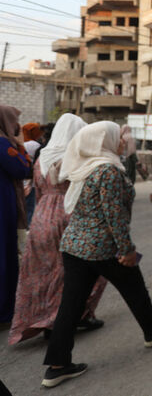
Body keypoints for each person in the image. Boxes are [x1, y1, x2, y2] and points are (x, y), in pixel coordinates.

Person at [41, 121, 152, 388]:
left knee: (71, 306)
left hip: (75, 246)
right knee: (135, 288)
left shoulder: (82, 166)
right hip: (102, 247)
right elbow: (114, 216)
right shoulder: (108, 171)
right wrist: (126, 249)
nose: (123, 140)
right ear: (103, 141)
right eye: (118, 136)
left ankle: (56, 366)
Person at [10, 114, 108, 345]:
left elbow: (38, 191)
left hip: (42, 217)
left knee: (43, 273)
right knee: (80, 272)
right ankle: (70, 318)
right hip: (68, 215)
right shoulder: (76, 157)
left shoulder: (42, 156)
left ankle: (46, 319)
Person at [0, 105, 31, 325]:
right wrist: (20, 145)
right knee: (4, 257)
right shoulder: (2, 144)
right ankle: (4, 313)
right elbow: (23, 169)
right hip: (2, 206)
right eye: (14, 122)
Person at [21, 122, 43, 227]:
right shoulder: (37, 146)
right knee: (30, 206)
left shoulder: (21, 145)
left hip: (21, 178)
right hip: (33, 179)